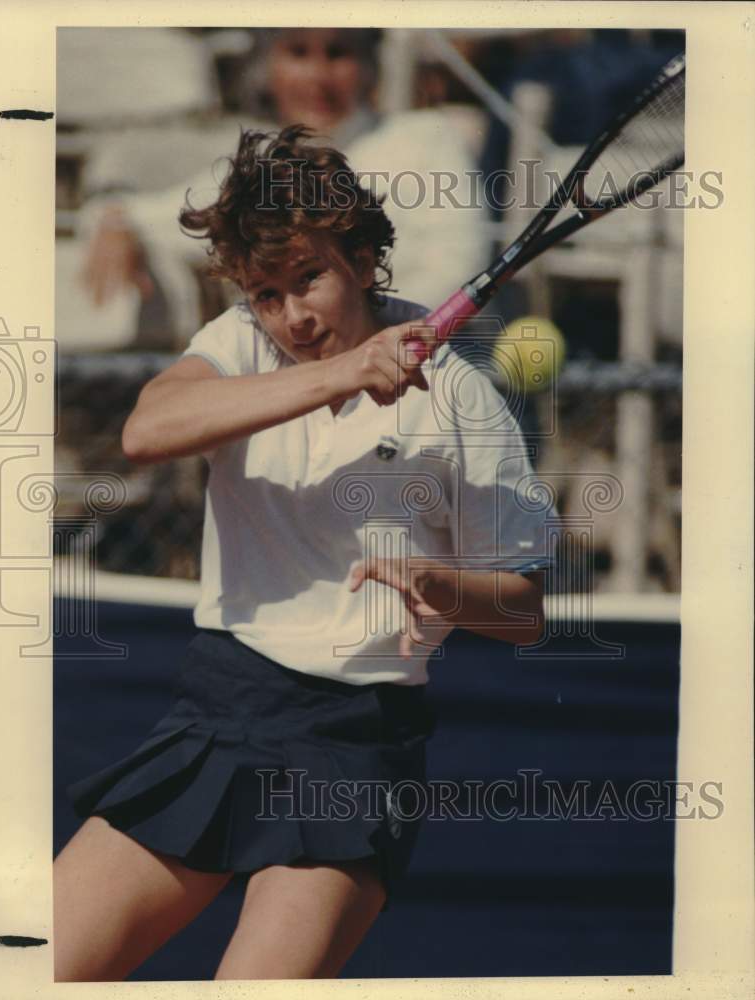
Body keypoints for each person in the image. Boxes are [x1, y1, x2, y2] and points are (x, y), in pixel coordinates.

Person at [54, 126, 552, 982]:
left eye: (309, 278)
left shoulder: (463, 401)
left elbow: (528, 614)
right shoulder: (242, 340)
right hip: (219, 706)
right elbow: (148, 430)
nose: (293, 315)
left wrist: (444, 586)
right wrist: (343, 371)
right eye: (266, 293)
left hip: (352, 748)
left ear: (361, 258)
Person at [78, 27, 492, 346]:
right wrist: (116, 220)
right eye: (297, 52)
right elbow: (179, 216)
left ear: (369, 67)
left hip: (419, 370)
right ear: (269, 66)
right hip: (304, 386)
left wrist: (360, 340)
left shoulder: (426, 138)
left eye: (337, 53)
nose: (317, 75)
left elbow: (457, 270)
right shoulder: (263, 161)